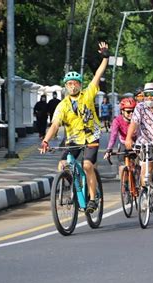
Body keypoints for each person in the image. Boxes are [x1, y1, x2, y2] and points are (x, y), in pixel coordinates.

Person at [40, 41, 109, 213]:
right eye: (69, 84)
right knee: (62, 164)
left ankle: (93, 199)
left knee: (87, 166)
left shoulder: (88, 94)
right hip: (73, 139)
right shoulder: (62, 105)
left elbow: (98, 74)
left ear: (79, 84)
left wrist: (105, 57)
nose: (72, 86)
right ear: (65, 86)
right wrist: (46, 141)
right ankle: (74, 185)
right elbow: (55, 124)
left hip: (91, 136)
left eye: (75, 83)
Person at [103, 98, 138, 174]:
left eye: (133, 111)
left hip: (138, 143)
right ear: (122, 111)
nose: (131, 114)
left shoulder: (138, 118)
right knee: (122, 167)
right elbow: (113, 136)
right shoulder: (117, 121)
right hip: (124, 143)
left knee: (141, 166)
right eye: (128, 112)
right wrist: (109, 149)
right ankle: (124, 183)